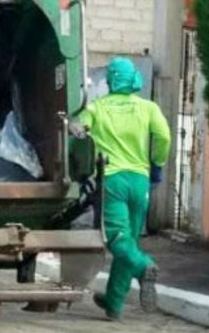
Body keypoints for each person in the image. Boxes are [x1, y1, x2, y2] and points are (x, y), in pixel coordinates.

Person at [71, 56, 172, 320]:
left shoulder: (97, 108)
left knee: (118, 240)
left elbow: (77, 130)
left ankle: (144, 268)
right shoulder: (148, 108)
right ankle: (114, 303)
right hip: (140, 181)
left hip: (112, 180)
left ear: (110, 81)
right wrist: (157, 164)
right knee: (129, 241)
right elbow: (163, 135)